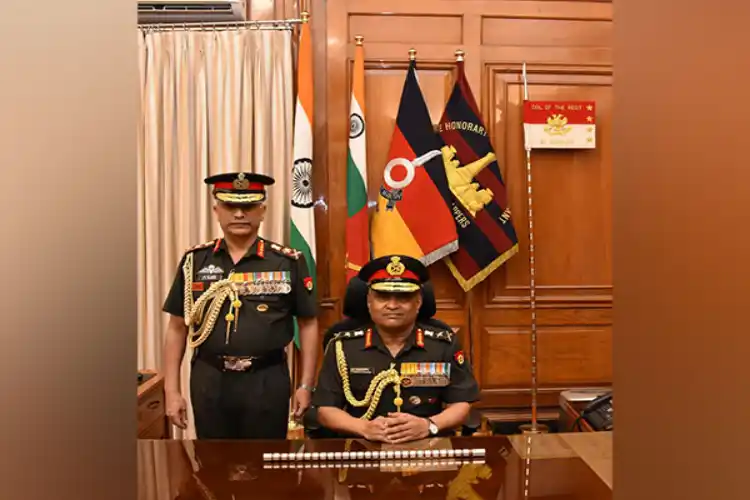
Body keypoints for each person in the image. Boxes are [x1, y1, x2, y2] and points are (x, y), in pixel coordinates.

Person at [162, 172, 319, 439]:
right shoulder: (195, 261)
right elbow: (177, 328)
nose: (239, 214)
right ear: (216, 211)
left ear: (262, 211)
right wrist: (172, 391)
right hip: (210, 379)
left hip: (266, 379)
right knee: (212, 465)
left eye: (247, 207)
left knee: (267, 465)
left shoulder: (287, 261)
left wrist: (305, 385)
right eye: (230, 207)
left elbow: (308, 323)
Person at [312, 254, 479, 443]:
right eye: (382, 297)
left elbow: (462, 403)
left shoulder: (443, 345)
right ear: (369, 302)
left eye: (403, 297)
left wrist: (429, 425)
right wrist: (363, 427)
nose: (392, 305)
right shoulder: (342, 347)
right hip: (363, 445)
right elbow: (325, 410)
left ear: (418, 303)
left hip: (427, 447)